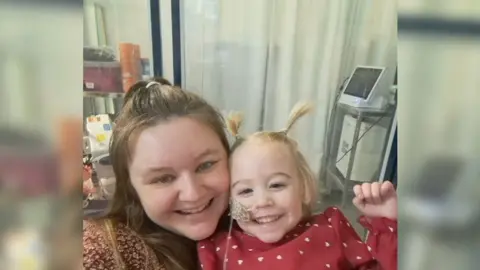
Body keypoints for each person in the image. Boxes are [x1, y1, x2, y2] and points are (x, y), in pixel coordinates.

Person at [197, 103, 397, 270]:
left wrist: (388, 224)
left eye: (276, 185)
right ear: (229, 201)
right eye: (246, 191)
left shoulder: (330, 227)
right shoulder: (218, 249)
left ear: (302, 187)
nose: (263, 201)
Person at [83, 78, 231, 270]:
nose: (192, 194)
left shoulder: (263, 222)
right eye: (163, 178)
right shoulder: (104, 251)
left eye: (206, 165)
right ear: (130, 185)